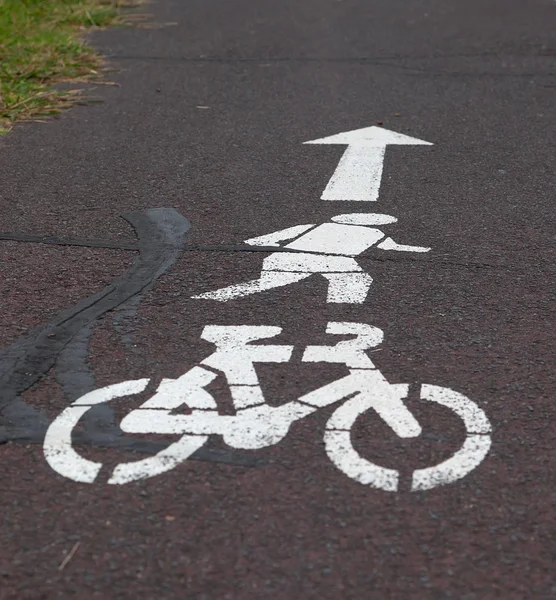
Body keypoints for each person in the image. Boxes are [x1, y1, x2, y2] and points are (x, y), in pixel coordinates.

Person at [192, 213, 430, 303]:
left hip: (289, 257)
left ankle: (217, 296)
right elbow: (394, 248)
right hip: (335, 260)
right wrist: (421, 251)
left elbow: (276, 237)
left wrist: (260, 243)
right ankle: (342, 313)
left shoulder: (315, 225)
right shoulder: (377, 232)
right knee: (354, 281)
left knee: (270, 283)